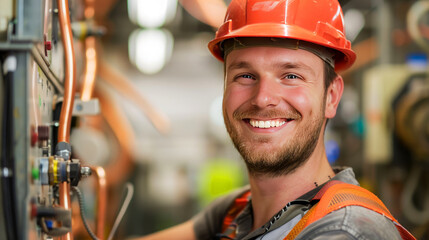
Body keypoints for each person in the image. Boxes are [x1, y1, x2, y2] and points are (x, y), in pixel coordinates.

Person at [132, 0, 416, 239]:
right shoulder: (239, 211)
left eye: (291, 76)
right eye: (245, 75)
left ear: (331, 96)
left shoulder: (347, 231)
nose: (263, 98)